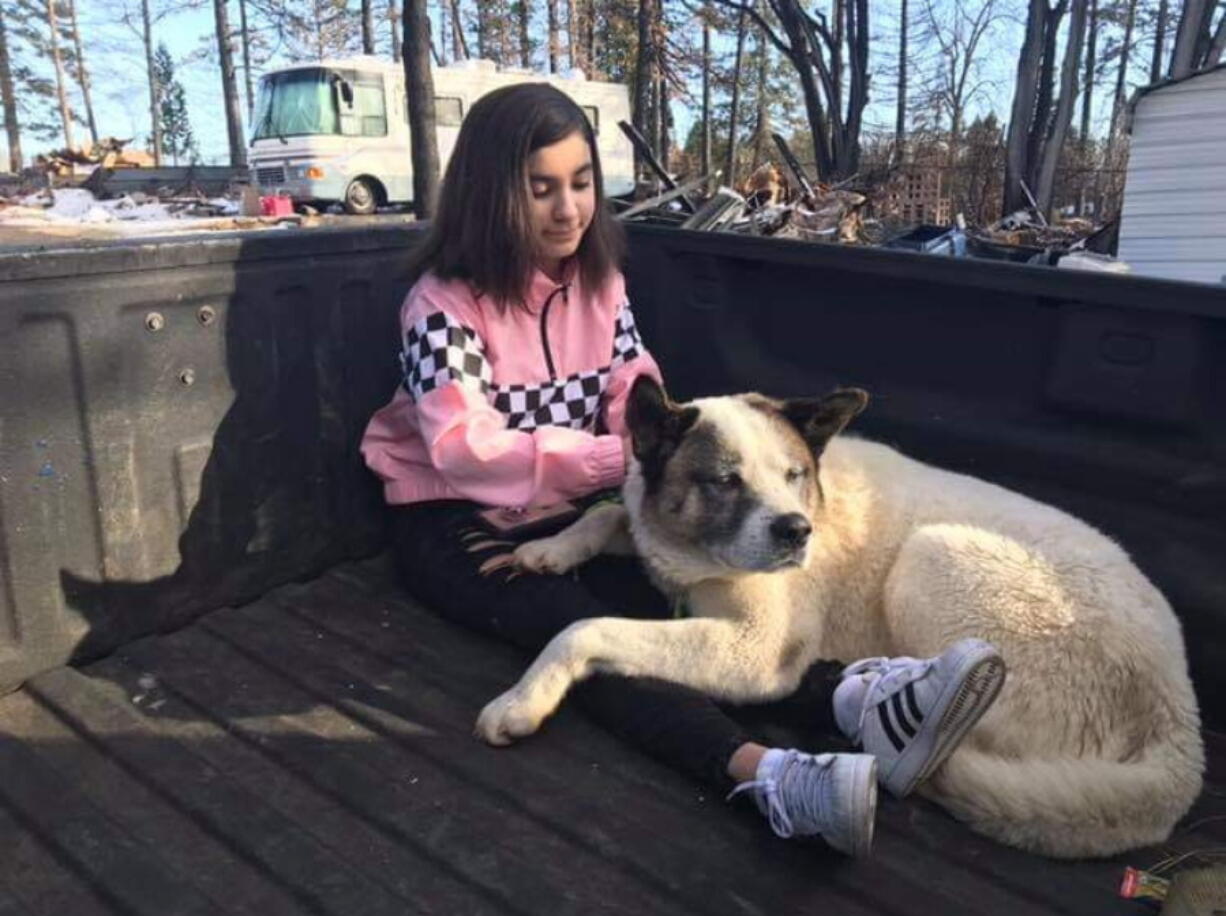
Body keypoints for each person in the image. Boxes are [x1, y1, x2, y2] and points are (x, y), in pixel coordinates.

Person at [360, 83, 1004, 857]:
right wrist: (621, 463)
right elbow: (467, 449)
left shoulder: (600, 285)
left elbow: (636, 399)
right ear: (489, 193)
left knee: (669, 605)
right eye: (540, 189)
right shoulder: (442, 306)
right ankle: (767, 775)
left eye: (581, 182)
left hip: (571, 496)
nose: (568, 209)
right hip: (451, 512)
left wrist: (632, 470)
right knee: (564, 625)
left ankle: (859, 700)